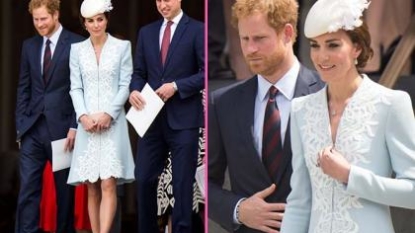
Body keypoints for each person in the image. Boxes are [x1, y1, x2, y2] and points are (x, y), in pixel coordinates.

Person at [280, 0, 415, 232]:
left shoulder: (391, 104)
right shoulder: (301, 109)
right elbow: (299, 202)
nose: (321, 57)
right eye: (315, 45)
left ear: (357, 48)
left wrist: (350, 175)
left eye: (332, 45)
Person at [208, 0, 325, 232]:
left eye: (259, 39)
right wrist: (238, 209)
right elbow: (204, 181)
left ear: (288, 33)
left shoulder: (327, 93)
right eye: (244, 39)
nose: (250, 49)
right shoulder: (222, 103)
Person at [128, 0, 204, 232]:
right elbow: (139, 73)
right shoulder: (146, 32)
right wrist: (133, 90)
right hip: (151, 120)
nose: (162, 4)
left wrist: (177, 86)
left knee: (182, 186)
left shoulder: (197, 29)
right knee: (143, 179)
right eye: (158, 0)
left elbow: (205, 72)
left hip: (184, 120)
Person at [14, 0, 84, 232]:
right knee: (27, 192)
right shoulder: (29, 45)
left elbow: (80, 88)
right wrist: (20, 124)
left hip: (64, 131)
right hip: (32, 130)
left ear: (56, 15)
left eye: (43, 19)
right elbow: (23, 87)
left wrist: (75, 126)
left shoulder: (76, 43)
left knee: (65, 195)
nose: (39, 24)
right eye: (36, 19)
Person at [67, 0, 135, 232]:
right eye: (91, 21)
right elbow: (75, 87)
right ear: (84, 24)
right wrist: (82, 116)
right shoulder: (76, 50)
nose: (96, 25)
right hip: (87, 125)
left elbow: (126, 84)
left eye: (100, 19)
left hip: (112, 124)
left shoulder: (122, 47)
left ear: (106, 19)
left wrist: (110, 113)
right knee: (92, 186)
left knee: (108, 182)